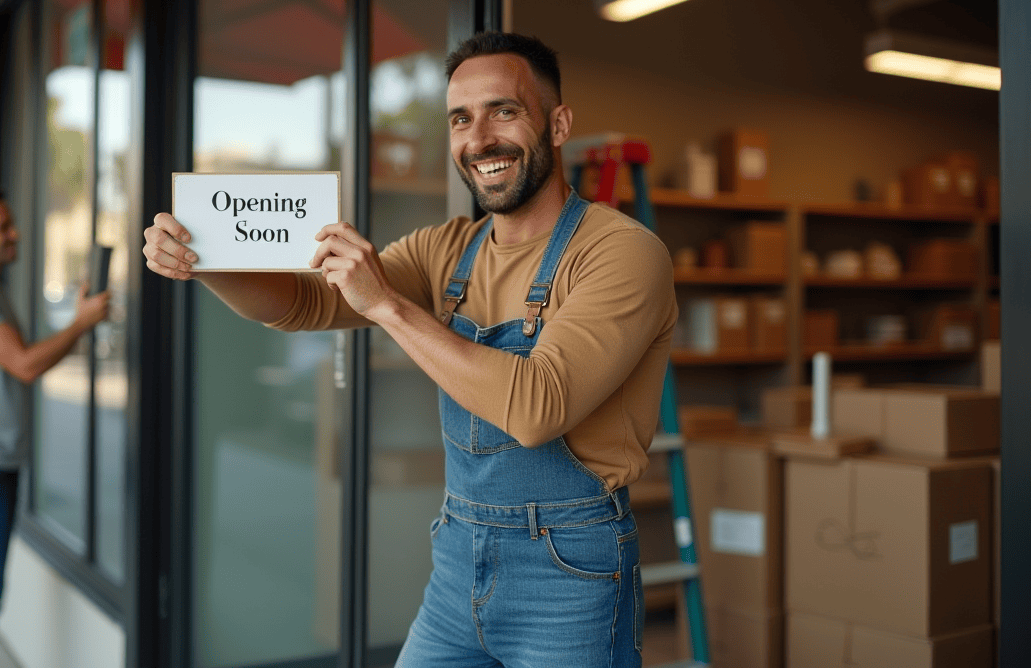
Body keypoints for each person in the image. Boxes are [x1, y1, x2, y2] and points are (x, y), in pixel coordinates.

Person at [144, 32, 675, 667]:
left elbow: (539, 408)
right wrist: (206, 260)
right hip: (459, 561)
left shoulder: (622, 252)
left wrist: (390, 306)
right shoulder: (448, 249)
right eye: (460, 119)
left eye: (503, 110)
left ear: (558, 125)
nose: (479, 139)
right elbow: (303, 304)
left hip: (570, 572)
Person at [0, 188, 110, 668]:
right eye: (3, 227)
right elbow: (25, 365)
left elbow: (24, 361)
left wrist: (78, 324)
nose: (15, 235)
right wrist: (81, 324)